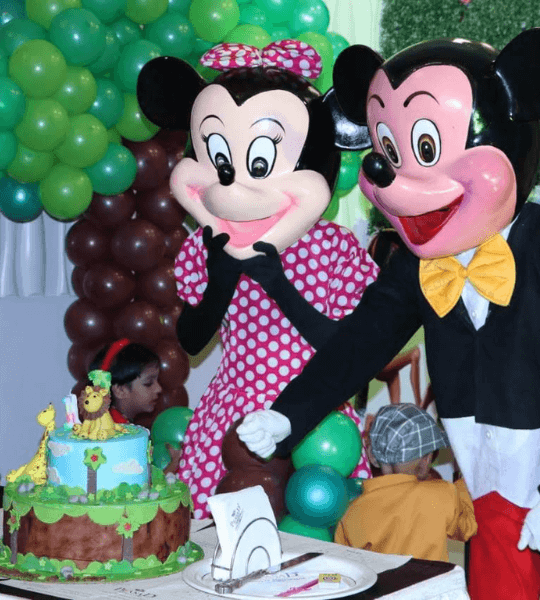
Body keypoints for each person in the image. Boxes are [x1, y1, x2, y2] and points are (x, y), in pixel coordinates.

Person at [235, 31, 540, 600]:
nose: (393, 181)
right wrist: (288, 415)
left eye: (424, 149)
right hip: (486, 484)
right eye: (389, 153)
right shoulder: (420, 263)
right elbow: (362, 340)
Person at [136, 41, 379, 519]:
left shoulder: (332, 246)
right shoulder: (206, 247)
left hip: (315, 420)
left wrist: (278, 285)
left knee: (315, 540)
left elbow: (345, 348)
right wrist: (222, 279)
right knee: (222, 542)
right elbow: (191, 339)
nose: (235, 187)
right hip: (231, 410)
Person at [334, 404, 477, 561]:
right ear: (427, 460)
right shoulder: (442, 494)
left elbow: (343, 567)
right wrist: (463, 484)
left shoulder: (352, 511)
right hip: (431, 585)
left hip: (385, 586)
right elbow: (468, 528)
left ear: (372, 456)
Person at [89, 342, 180, 475]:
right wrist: (175, 464)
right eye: (148, 383)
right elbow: (140, 491)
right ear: (120, 390)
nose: (159, 388)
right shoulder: (118, 436)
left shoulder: (117, 424)